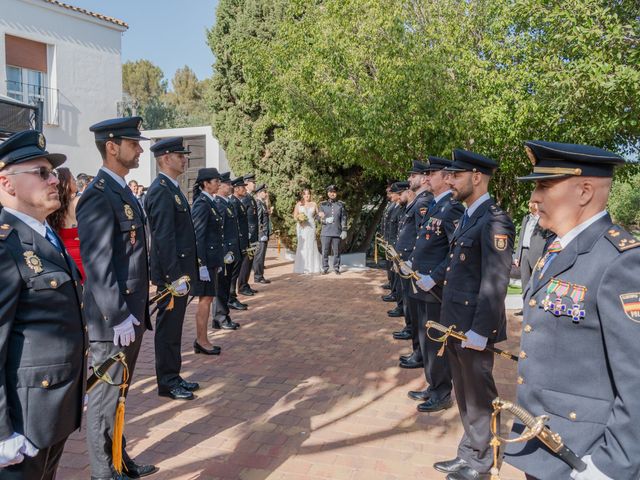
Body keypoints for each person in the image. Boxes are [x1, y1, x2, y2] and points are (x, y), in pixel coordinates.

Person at [504, 141, 640, 480]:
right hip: (544, 441)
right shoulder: (557, 247)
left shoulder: (618, 261)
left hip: (585, 452)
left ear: (584, 191)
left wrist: (612, 465)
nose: (534, 197)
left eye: (544, 185)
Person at [0, 130, 86, 480]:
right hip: (24, 417)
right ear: (7, 183)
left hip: (54, 407)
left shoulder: (43, 234)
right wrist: (2, 432)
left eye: (52, 173)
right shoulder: (6, 245)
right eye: (41, 173)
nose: (54, 180)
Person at [77, 117, 157, 480]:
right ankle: (103, 473)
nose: (140, 149)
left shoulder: (122, 190)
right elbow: (98, 262)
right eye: (133, 143)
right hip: (113, 321)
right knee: (104, 401)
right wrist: (117, 314)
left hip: (130, 315)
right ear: (112, 146)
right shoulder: (98, 195)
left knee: (120, 398)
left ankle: (119, 460)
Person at [433, 149, 515, 480]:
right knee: (464, 393)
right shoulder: (469, 215)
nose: (449, 181)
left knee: (480, 396)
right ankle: (469, 451)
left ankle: (482, 460)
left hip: (474, 327)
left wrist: (481, 330)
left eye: (456, 176)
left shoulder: (494, 219)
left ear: (476, 177)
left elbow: (495, 281)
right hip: (455, 323)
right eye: (448, 176)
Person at [403, 157, 464, 413]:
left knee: (435, 341)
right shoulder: (437, 206)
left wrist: (436, 277)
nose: (427, 178)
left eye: (432, 173)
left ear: (447, 177)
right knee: (424, 339)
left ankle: (441, 392)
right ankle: (432, 385)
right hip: (421, 284)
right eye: (426, 174)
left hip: (434, 288)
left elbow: (456, 249)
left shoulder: (452, 208)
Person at [145, 137, 199, 401]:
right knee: (167, 331)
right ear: (165, 158)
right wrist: (174, 276)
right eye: (180, 155)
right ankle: (166, 381)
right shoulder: (160, 190)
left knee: (175, 328)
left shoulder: (173, 188)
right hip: (172, 277)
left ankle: (173, 375)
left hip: (180, 272)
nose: (184, 158)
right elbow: (163, 238)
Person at [391, 160, 433, 351]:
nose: (409, 179)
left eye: (413, 175)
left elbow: (421, 235)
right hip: (407, 259)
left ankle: (418, 349)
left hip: (413, 261)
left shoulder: (424, 202)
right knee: (410, 303)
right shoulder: (418, 200)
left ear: (424, 178)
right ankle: (416, 346)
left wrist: (411, 259)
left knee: (415, 309)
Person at [190, 168, 224, 356]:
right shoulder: (202, 204)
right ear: (205, 183)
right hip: (206, 261)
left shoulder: (210, 202)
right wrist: (201, 263)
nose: (218, 184)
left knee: (208, 299)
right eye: (215, 181)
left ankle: (203, 339)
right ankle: (201, 340)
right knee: (204, 301)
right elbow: (198, 236)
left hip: (212, 260)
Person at [211, 172, 241, 330]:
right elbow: (219, 232)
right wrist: (223, 253)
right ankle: (221, 317)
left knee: (225, 285)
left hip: (230, 252)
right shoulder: (219, 204)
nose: (230, 186)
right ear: (221, 186)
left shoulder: (227, 203)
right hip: (225, 253)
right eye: (227, 184)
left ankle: (221, 317)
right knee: (221, 287)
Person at [47, 166, 85, 280]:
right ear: (66, 184)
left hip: (63, 258)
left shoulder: (52, 208)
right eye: (72, 179)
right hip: (81, 256)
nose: (75, 182)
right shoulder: (77, 202)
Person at [513, 201, 550, 290]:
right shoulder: (526, 218)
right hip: (524, 252)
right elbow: (521, 237)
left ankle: (533, 302)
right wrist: (517, 255)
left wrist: (545, 256)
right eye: (530, 202)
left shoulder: (544, 219)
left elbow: (547, 238)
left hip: (537, 253)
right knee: (524, 281)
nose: (529, 204)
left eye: (532, 202)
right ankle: (525, 302)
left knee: (536, 281)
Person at [384, 181, 406, 318]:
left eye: (392, 193)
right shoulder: (394, 206)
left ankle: (400, 304)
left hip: (398, 246)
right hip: (393, 244)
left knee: (399, 277)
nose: (390, 195)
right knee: (394, 274)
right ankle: (396, 296)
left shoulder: (402, 208)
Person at [228, 177, 249, 310]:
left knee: (236, 271)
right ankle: (231, 297)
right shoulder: (234, 203)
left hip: (241, 241)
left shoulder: (238, 202)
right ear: (236, 189)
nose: (245, 189)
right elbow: (235, 225)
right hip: (237, 242)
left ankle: (232, 297)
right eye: (243, 187)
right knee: (233, 273)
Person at [318, 185, 348, 274]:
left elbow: (344, 217)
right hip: (326, 231)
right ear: (328, 193)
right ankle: (325, 268)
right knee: (325, 251)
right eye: (331, 192)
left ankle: (336, 268)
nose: (332, 194)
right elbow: (318, 217)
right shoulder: (322, 205)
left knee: (337, 252)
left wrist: (344, 229)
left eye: (334, 192)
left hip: (337, 231)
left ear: (336, 193)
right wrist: (324, 220)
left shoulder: (341, 204)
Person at [238, 173, 259, 296]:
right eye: (252, 182)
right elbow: (242, 218)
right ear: (246, 183)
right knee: (246, 262)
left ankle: (245, 283)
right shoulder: (245, 198)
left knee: (250, 261)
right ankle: (242, 286)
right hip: (248, 237)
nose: (254, 184)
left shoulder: (250, 197)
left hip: (253, 236)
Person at [293, 188, 323, 274]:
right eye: (305, 194)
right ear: (302, 195)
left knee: (311, 244)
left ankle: (312, 267)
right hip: (302, 227)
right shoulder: (299, 204)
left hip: (311, 227)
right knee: (303, 245)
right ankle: (302, 267)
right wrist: (299, 220)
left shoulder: (313, 204)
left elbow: (317, 215)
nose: (307, 195)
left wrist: (320, 215)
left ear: (310, 195)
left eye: (308, 194)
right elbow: (295, 216)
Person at [253, 183, 271, 283]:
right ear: (260, 193)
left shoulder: (262, 203)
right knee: (259, 256)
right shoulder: (258, 204)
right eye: (264, 192)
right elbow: (258, 220)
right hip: (261, 235)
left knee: (262, 256)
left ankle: (260, 275)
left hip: (264, 233)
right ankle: (258, 277)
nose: (266, 193)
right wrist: (262, 233)